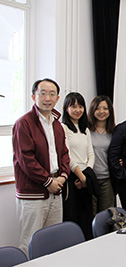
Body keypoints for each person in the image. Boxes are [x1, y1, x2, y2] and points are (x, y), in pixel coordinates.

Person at [12, 78, 70, 256]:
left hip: (56, 189)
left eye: (52, 94)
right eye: (42, 93)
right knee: (30, 242)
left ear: (58, 98)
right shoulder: (24, 123)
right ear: (33, 96)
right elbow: (26, 160)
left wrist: (63, 176)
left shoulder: (57, 124)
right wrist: (48, 182)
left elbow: (64, 154)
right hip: (33, 192)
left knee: (53, 241)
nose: (47, 98)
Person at [62, 92, 96, 240]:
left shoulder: (85, 129)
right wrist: (81, 177)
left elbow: (91, 154)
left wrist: (87, 175)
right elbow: (66, 156)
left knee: (87, 216)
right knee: (73, 216)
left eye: (81, 106)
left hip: (86, 177)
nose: (78, 110)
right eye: (73, 106)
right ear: (66, 108)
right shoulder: (63, 128)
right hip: (72, 177)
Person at [88, 95, 116, 214]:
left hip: (107, 179)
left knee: (106, 216)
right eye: (98, 108)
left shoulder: (114, 131)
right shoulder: (86, 130)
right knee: (90, 213)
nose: (101, 112)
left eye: (105, 108)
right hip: (89, 179)